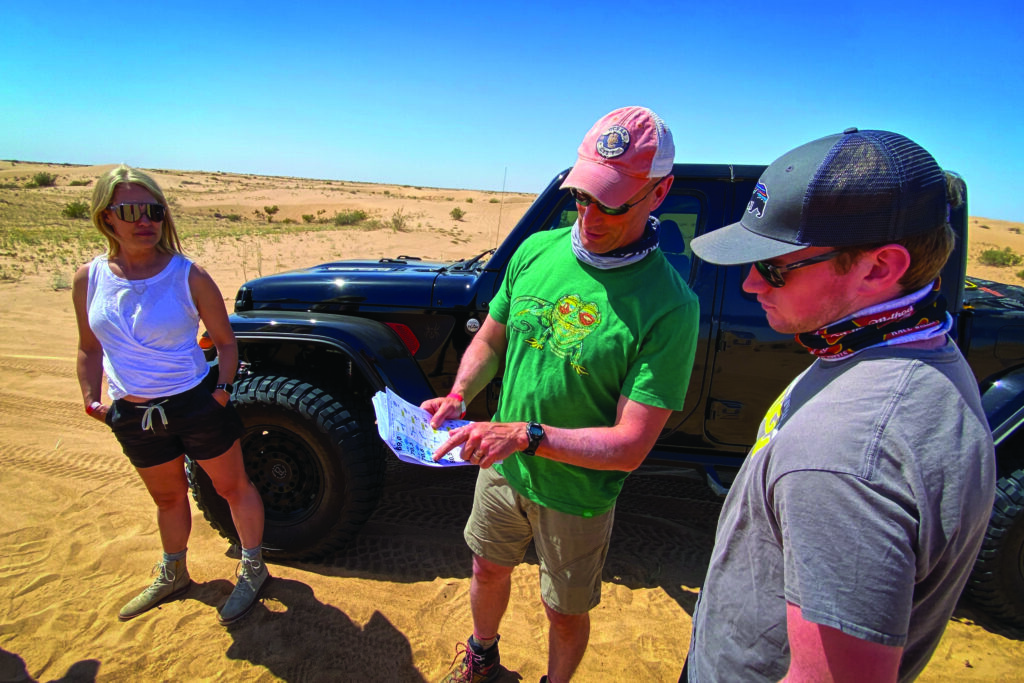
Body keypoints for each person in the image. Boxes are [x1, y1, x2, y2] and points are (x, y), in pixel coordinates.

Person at [684, 129, 996, 682]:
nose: (751, 283)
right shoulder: (912, 348)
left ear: (879, 268)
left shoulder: (847, 453)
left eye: (775, 266)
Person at [424, 107, 700, 683]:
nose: (591, 216)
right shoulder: (536, 251)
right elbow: (493, 338)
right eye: (583, 196)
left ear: (661, 192)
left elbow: (628, 446)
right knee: (486, 566)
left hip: (576, 493)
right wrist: (459, 393)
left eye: (613, 201)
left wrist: (524, 435)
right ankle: (481, 656)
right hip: (503, 468)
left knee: (564, 609)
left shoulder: (670, 305)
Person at [72, 165, 269, 625]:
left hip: (194, 403)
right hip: (133, 413)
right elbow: (88, 346)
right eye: (132, 210)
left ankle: (253, 568)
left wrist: (220, 392)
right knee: (168, 499)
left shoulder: (188, 275)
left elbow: (225, 342)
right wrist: (92, 399)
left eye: (155, 210)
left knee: (232, 487)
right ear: (107, 217)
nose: (146, 221)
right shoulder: (90, 278)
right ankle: (174, 572)